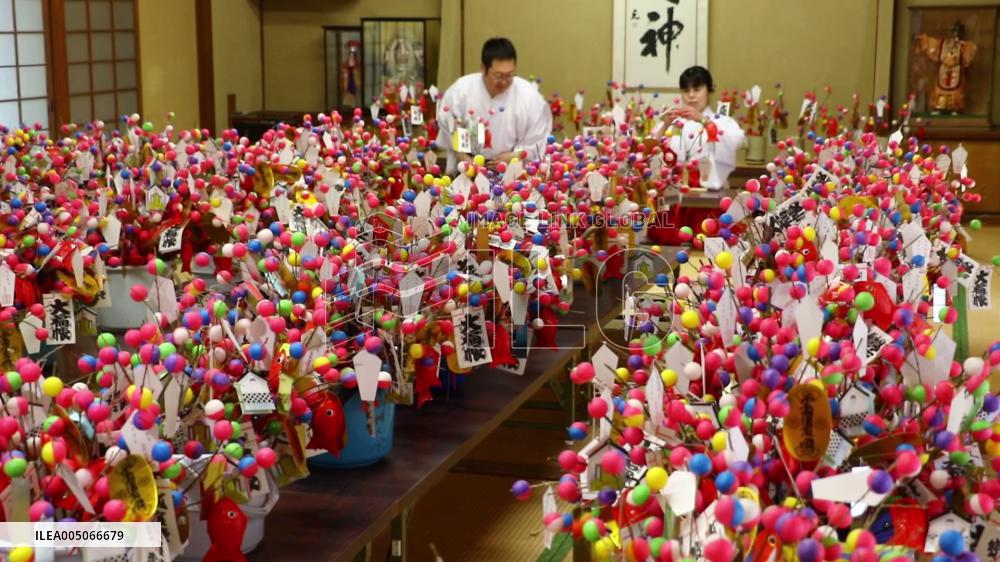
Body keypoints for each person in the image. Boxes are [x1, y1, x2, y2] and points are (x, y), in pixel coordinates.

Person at [436, 38, 552, 174]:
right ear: (483, 68)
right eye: (498, 76)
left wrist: (514, 156)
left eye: (509, 75)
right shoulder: (462, 90)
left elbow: (538, 136)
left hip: (511, 168)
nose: (504, 82)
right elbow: (448, 124)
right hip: (467, 165)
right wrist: (464, 157)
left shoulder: (528, 95)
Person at [666, 66, 745, 190]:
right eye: (686, 91)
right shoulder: (676, 123)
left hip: (710, 190)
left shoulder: (721, 121)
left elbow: (735, 140)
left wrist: (704, 121)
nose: (691, 95)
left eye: (697, 89)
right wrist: (664, 125)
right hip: (677, 189)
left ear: (709, 90)